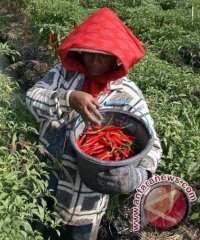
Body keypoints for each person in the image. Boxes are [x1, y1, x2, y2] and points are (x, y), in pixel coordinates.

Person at [26, 7, 163, 240]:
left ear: (116, 58)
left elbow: (153, 145)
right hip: (45, 186)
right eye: (89, 53)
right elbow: (32, 97)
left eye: (103, 55)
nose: (95, 60)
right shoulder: (64, 74)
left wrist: (139, 174)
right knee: (37, 232)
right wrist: (68, 98)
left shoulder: (126, 94)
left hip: (86, 205)